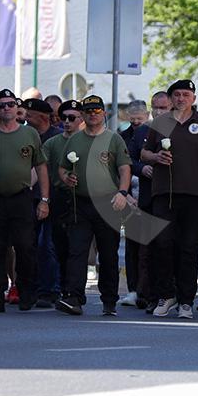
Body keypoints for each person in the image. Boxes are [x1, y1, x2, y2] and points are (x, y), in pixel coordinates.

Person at [141, 79, 198, 319]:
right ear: (170, 98)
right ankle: (166, 295)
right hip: (164, 193)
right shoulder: (161, 122)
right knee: (162, 244)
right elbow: (144, 153)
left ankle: (186, 301)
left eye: (186, 94)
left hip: (195, 194)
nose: (181, 98)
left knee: (189, 246)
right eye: (177, 94)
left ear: (193, 98)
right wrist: (156, 157)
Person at [55, 94, 132, 316]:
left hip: (108, 203)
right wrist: (67, 177)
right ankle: (74, 297)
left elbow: (124, 169)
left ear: (104, 114)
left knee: (108, 254)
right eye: (88, 111)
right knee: (77, 251)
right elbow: (62, 167)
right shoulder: (74, 140)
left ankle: (109, 300)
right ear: (82, 115)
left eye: (96, 111)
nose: (92, 115)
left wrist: (123, 193)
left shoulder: (114, 139)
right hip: (81, 204)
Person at [0, 89, 49, 312]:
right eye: (2, 105)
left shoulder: (29, 134)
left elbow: (41, 167)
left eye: (10, 104)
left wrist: (44, 199)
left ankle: (26, 293)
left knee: (25, 246)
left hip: (22, 198)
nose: (6, 108)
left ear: (17, 108)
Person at [128, 91, 172, 311]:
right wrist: (141, 168)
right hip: (147, 199)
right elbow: (129, 160)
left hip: (170, 199)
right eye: (155, 107)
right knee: (146, 250)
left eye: (163, 107)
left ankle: (169, 293)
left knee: (168, 249)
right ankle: (146, 295)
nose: (158, 111)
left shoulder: (178, 130)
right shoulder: (142, 132)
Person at [42, 100, 85, 301]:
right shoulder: (52, 143)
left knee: (78, 245)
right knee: (59, 244)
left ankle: (74, 289)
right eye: (63, 118)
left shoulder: (89, 141)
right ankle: (63, 286)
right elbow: (40, 168)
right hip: (59, 196)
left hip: (82, 196)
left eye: (72, 118)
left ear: (81, 119)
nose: (67, 122)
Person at [24, 97, 63, 308]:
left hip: (52, 199)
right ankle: (31, 288)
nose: (26, 119)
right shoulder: (25, 135)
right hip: (28, 198)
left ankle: (50, 290)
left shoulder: (57, 138)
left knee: (46, 244)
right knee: (29, 245)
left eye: (29, 116)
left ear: (42, 117)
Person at [119, 100, 149, 307]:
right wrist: (127, 196)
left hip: (150, 196)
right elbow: (120, 167)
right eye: (132, 119)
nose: (136, 122)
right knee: (132, 247)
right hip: (130, 196)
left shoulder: (155, 134)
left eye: (140, 119)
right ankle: (133, 289)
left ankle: (147, 289)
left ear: (147, 115)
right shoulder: (122, 137)